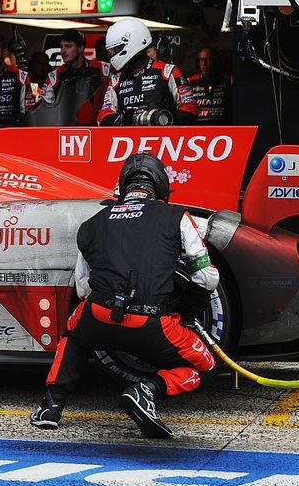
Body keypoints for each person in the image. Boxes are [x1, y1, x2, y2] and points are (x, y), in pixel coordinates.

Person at [29, 153, 219, 438]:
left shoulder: (92, 223)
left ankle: (51, 406)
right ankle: (146, 391)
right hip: (152, 325)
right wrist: (185, 312)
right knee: (205, 368)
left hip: (98, 316)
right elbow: (207, 277)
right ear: (161, 187)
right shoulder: (177, 217)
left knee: (74, 333)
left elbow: (83, 289)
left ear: (123, 186)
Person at [98, 18, 199, 127]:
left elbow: (190, 108)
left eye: (116, 49)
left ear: (132, 43)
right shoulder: (115, 80)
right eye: (110, 51)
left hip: (164, 136)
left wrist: (162, 118)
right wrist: (123, 119)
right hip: (129, 137)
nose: (112, 54)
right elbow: (103, 116)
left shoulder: (168, 72)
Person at [31, 30, 110, 126]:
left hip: (99, 130)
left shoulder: (104, 69)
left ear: (80, 48)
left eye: (68, 46)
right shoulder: (54, 77)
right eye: (61, 46)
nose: (63, 51)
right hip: (67, 131)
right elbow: (42, 110)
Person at [188, 46, 232, 125]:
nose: (204, 64)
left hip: (222, 126)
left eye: (209, 59)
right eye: (201, 60)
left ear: (216, 61)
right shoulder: (190, 82)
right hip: (197, 127)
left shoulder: (227, 81)